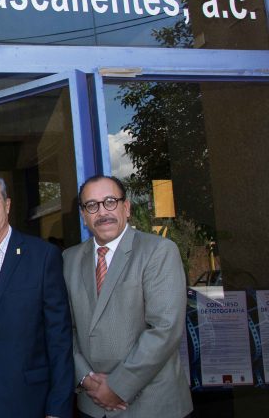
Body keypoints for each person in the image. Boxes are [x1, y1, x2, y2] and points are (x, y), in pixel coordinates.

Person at [63, 175, 192, 418]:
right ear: (83, 215)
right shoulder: (68, 260)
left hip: (151, 405)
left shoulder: (158, 251)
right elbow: (63, 329)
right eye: (92, 205)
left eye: (110, 201)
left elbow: (165, 328)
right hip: (92, 405)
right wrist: (85, 378)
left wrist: (118, 386)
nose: (102, 212)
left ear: (127, 207)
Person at [0, 175, 73, 418]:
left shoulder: (43, 256)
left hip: (28, 401)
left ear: (7, 205)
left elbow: (59, 338)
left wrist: (58, 408)